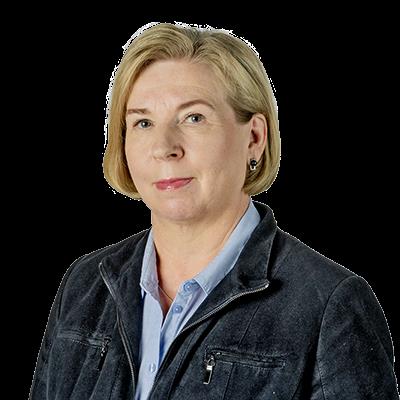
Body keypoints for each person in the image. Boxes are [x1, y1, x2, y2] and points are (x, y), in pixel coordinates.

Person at [29, 22, 398, 400]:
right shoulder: (84, 284)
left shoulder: (330, 307)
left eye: (194, 118)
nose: (164, 148)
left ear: (254, 138)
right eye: (143, 122)